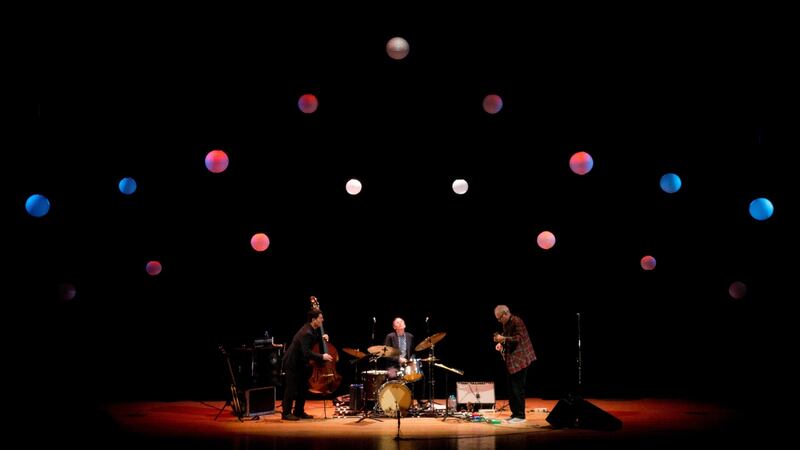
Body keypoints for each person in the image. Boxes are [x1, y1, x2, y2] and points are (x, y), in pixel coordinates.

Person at [281, 309, 333, 421]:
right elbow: (307, 352)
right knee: (291, 388)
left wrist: (322, 337)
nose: (322, 320)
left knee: (303, 388)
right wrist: (322, 356)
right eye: (320, 318)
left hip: (300, 363)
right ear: (314, 320)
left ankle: (299, 411)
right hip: (292, 362)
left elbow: (312, 339)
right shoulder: (307, 332)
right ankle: (286, 413)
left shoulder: (311, 329)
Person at [493, 305, 536, 423]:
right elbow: (507, 337)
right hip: (511, 361)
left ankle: (521, 416)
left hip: (520, 359)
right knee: (511, 389)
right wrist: (501, 343)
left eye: (499, 318)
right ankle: (515, 414)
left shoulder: (517, 321)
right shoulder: (506, 324)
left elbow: (518, 339)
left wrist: (503, 339)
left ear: (505, 314)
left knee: (518, 388)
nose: (499, 320)